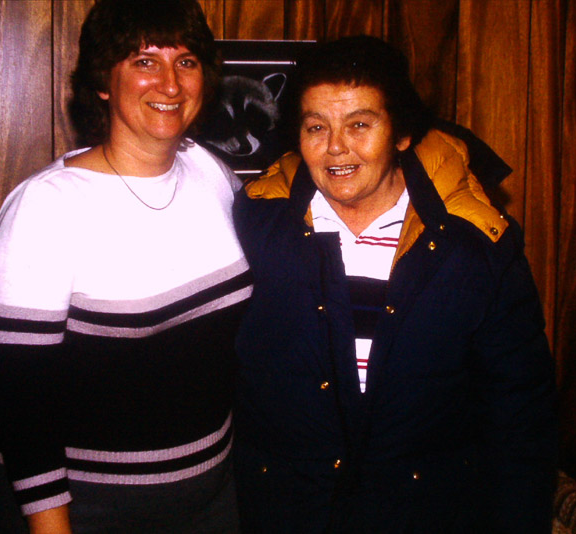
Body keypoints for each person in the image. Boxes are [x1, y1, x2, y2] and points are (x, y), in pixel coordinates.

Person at [232, 35, 558, 532]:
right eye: (317, 127)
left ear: (402, 134)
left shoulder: (475, 244)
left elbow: (521, 417)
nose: (336, 147)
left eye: (359, 124)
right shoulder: (257, 226)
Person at [0, 0, 251, 532]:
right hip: (84, 509)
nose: (170, 83)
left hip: (213, 497)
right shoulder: (46, 208)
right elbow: (20, 403)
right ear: (103, 81)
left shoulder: (211, 172)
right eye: (144, 61)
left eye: (186, 61)